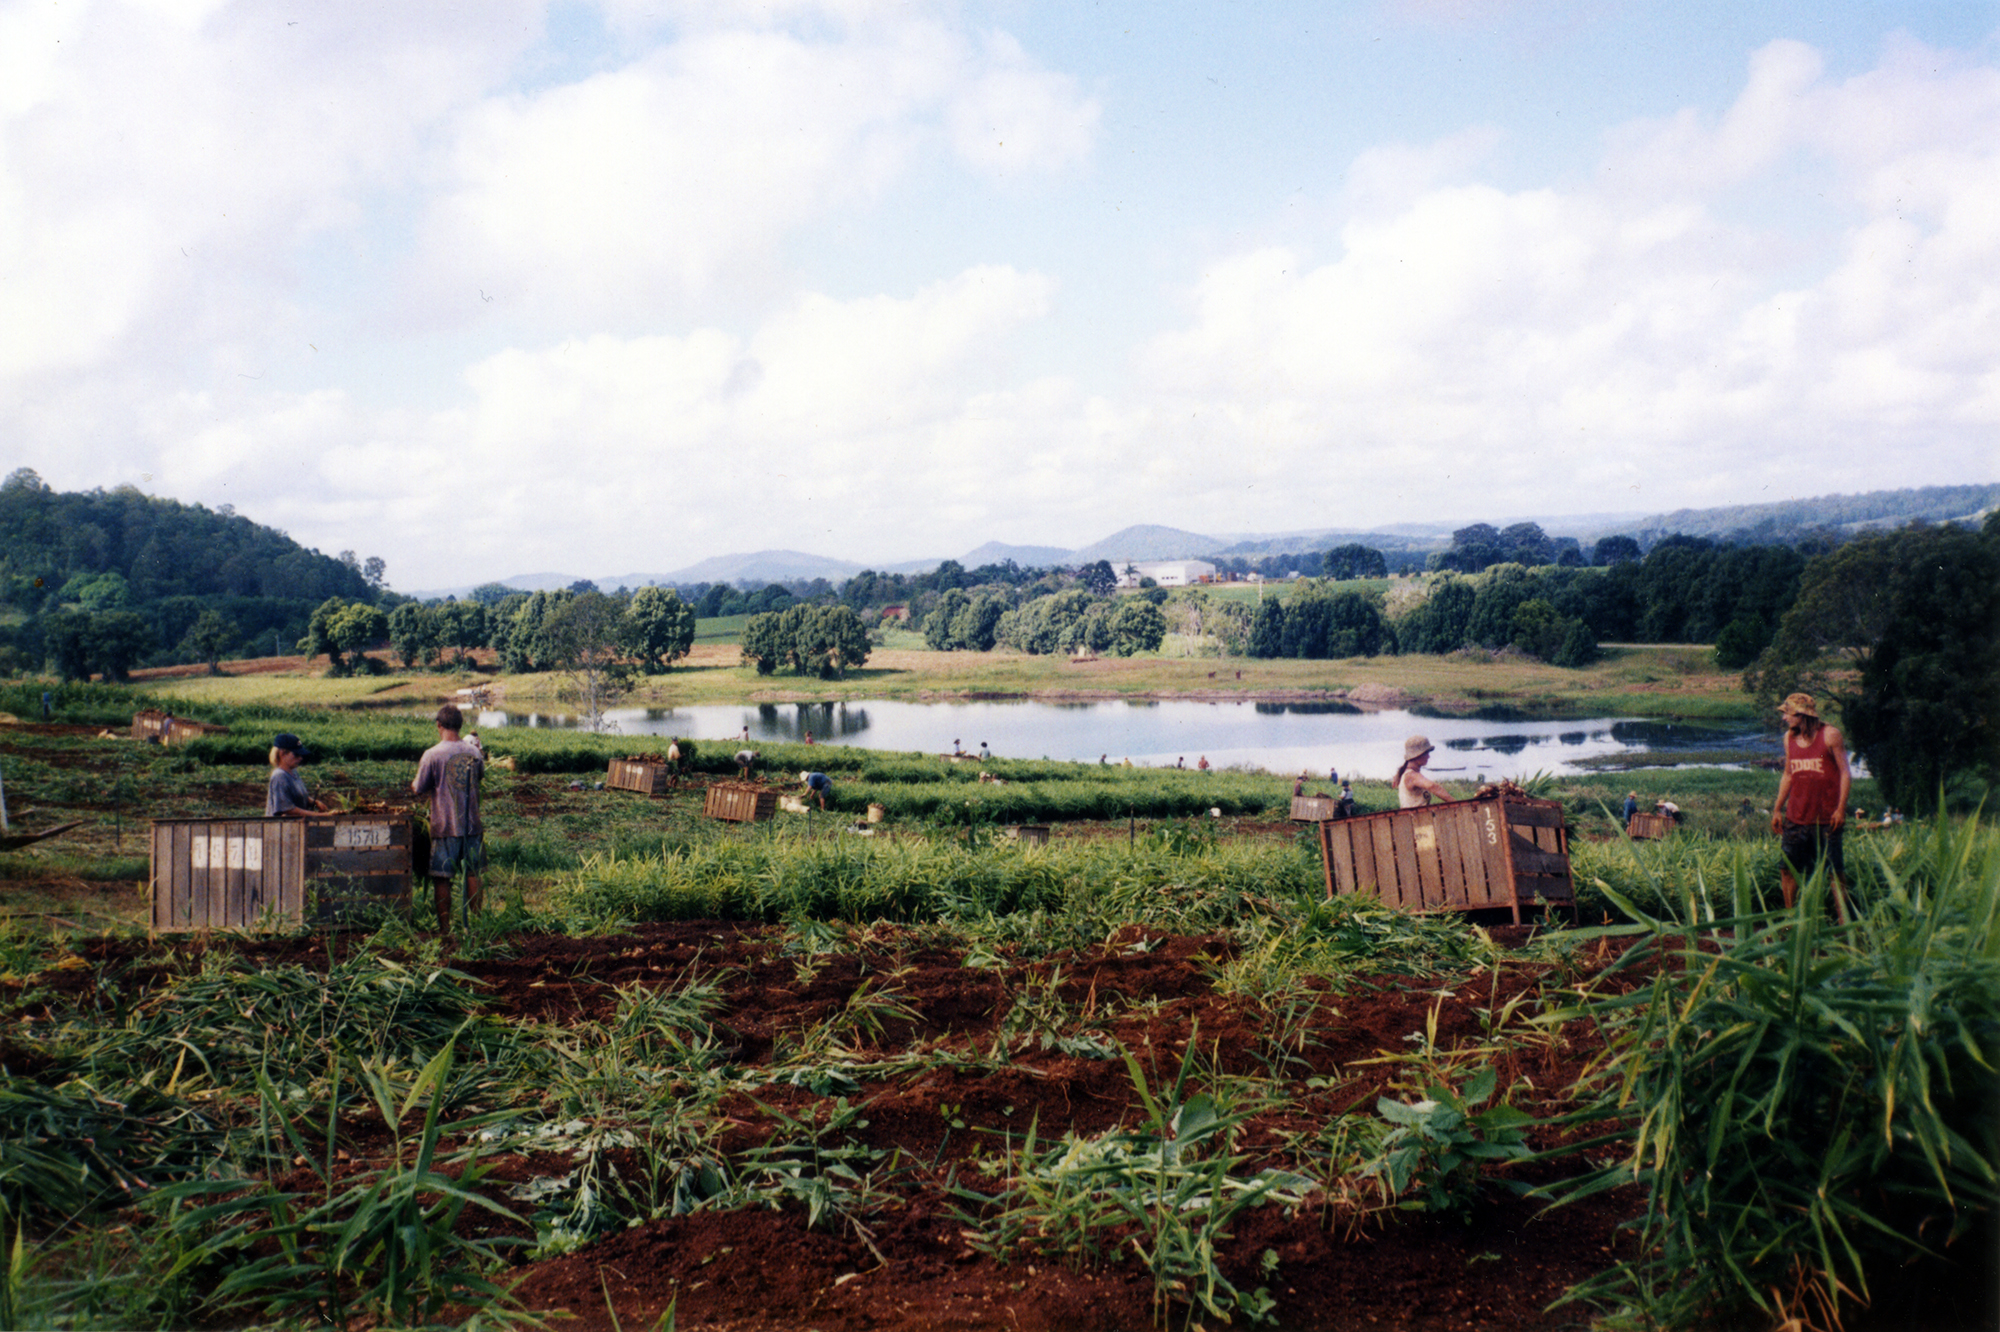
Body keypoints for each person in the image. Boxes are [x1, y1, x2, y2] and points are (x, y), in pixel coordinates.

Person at [1770, 692, 1851, 918]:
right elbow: (1788, 774)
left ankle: (1845, 925)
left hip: (1826, 819)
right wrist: (1777, 808)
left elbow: (1845, 773)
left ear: (1801, 715)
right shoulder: (1788, 739)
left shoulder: (1830, 735)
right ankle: (1790, 919)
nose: (1784, 718)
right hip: (1796, 817)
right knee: (1788, 870)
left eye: (1787, 714)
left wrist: (1840, 808)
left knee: (1834, 872)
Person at [413, 704, 485, 936]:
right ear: (460, 726)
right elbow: (479, 778)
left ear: (439, 725)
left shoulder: (432, 754)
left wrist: (414, 783)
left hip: (444, 826)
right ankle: (476, 924)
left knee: (442, 878)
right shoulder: (474, 753)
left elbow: (419, 788)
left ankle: (445, 929)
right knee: (473, 873)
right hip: (472, 825)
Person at [265, 733, 326, 817]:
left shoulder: (293, 772)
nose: (300, 758)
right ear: (282, 753)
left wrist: (314, 803)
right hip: (281, 827)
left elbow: (297, 796)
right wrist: (320, 815)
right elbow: (287, 809)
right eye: (296, 754)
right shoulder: (279, 776)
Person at [1392, 735, 1448, 808]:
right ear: (1418, 755)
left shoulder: (1409, 773)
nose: (1428, 756)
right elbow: (1432, 786)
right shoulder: (1411, 775)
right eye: (1426, 753)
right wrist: (1456, 804)